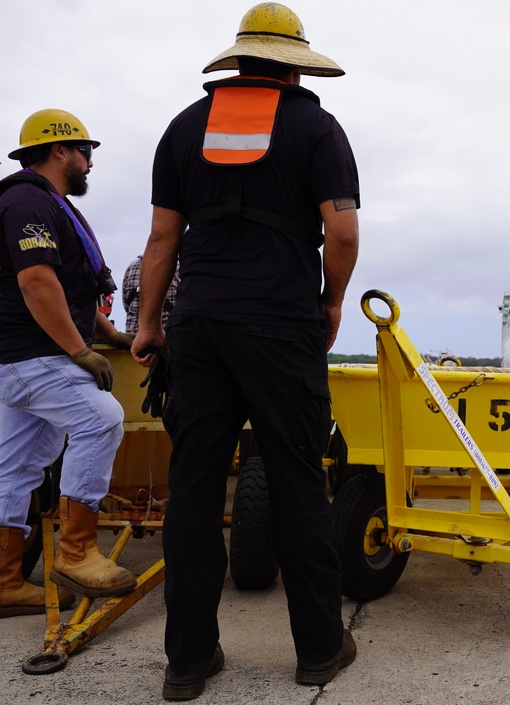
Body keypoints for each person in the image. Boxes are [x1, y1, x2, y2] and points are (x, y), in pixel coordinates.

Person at [130, 4, 360, 700]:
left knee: (195, 491)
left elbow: (162, 241)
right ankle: (319, 649)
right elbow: (342, 234)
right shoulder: (317, 127)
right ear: (294, 65)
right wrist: (330, 301)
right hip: (281, 325)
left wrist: (147, 324)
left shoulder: (182, 128)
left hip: (199, 326)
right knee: (295, 480)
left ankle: (187, 663)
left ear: (236, 61)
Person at [0, 109, 137, 620]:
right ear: (60, 151)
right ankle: (78, 553)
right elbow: (37, 281)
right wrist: (78, 351)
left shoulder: (46, 203)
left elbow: (74, 289)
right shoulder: (26, 202)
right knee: (100, 420)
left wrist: (109, 335)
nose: (89, 164)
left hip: (21, 358)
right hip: (35, 355)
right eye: (86, 152)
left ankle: (6, 581)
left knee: (15, 469)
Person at [122, 254, 179, 334]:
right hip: (167, 337)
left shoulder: (132, 267)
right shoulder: (177, 267)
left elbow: (126, 305)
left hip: (134, 337)